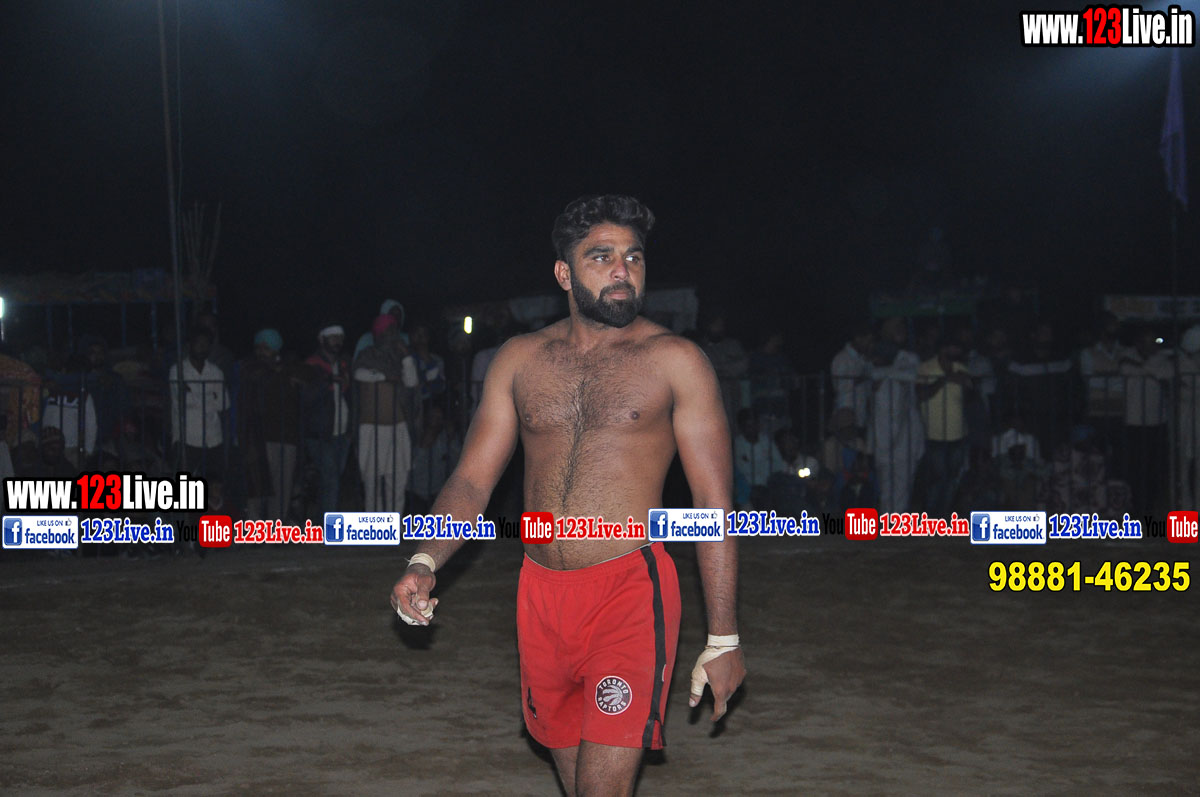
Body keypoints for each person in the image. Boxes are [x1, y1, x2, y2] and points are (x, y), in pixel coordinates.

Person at [390, 195, 745, 797]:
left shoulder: (677, 361)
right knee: (577, 784)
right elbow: (472, 481)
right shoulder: (520, 359)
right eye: (602, 257)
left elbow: (713, 507)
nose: (622, 270)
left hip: (629, 592)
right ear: (563, 273)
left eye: (633, 257)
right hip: (541, 597)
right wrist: (424, 561)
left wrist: (724, 637)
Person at [353, 316, 418, 513]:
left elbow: (412, 382)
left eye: (394, 330)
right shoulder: (367, 354)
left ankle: (393, 523)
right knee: (371, 482)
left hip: (398, 428)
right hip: (371, 428)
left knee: (397, 481)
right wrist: (384, 376)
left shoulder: (400, 358)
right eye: (389, 330)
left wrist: (406, 357)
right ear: (380, 333)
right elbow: (358, 373)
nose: (393, 334)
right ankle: (374, 525)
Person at [303, 324, 352, 518]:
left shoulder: (345, 364)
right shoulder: (311, 364)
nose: (337, 341)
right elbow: (307, 396)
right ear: (321, 339)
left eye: (340, 337)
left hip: (342, 431)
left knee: (331, 480)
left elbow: (352, 396)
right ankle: (329, 527)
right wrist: (329, 381)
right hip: (321, 433)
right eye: (332, 337)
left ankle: (321, 520)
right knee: (331, 478)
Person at [168, 328, 230, 478]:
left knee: (214, 483)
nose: (202, 347)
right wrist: (210, 396)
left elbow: (224, 404)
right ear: (189, 345)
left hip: (213, 437)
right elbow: (184, 402)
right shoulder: (178, 370)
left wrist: (194, 393)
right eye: (198, 343)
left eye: (206, 344)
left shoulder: (215, 371)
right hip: (187, 437)